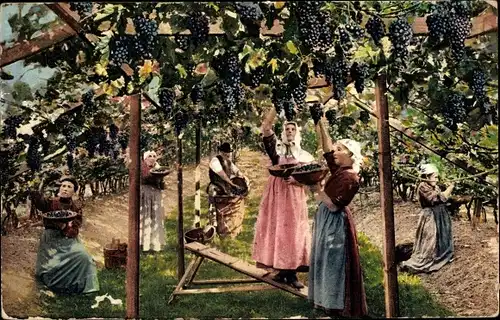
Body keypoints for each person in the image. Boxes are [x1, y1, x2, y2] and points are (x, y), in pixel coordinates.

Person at [307, 116, 368, 317]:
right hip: (326, 219)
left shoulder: (351, 178)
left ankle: (336, 304)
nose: (335, 151)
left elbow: (333, 206)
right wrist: (320, 123)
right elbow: (326, 149)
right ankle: (326, 301)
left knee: (334, 261)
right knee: (325, 259)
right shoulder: (340, 170)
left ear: (351, 155)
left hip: (335, 222)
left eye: (340, 149)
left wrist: (317, 190)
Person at [252, 107, 314, 289]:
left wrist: (298, 180)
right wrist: (276, 105)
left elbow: (312, 176)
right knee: (277, 228)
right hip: (276, 195)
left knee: (293, 230)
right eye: (287, 128)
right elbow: (265, 127)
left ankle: (292, 271)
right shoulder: (276, 150)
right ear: (282, 132)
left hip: (294, 195)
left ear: (297, 132)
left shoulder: (303, 155)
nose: (289, 131)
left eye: (293, 129)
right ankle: (281, 269)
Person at [30, 176, 99, 295]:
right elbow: (38, 201)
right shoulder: (50, 202)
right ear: (59, 188)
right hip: (51, 240)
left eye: (69, 187)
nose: (65, 189)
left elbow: (75, 230)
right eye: (63, 186)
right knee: (53, 264)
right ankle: (58, 286)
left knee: (84, 257)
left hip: (68, 240)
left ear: (74, 191)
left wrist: (64, 227)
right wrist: (40, 184)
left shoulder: (75, 207)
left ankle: (84, 287)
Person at [400, 163, 455, 273]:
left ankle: (441, 256)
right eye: (435, 177)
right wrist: (450, 188)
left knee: (441, 238)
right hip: (430, 217)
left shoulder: (434, 186)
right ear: (426, 177)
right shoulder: (423, 186)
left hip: (439, 216)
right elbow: (436, 198)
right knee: (430, 240)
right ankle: (427, 260)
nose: (437, 179)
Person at [207, 142, 248, 226]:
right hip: (216, 186)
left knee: (229, 204)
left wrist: (243, 176)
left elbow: (236, 171)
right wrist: (231, 183)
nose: (228, 154)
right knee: (213, 205)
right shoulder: (215, 161)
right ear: (221, 152)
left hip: (225, 187)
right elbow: (222, 175)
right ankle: (213, 223)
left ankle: (228, 223)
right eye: (226, 152)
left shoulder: (228, 162)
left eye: (229, 152)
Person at [140, 150, 166, 253]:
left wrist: (161, 178)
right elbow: (145, 177)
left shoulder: (157, 167)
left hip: (156, 193)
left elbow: (162, 183)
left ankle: (156, 244)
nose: (152, 158)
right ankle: (144, 245)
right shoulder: (142, 167)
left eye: (154, 156)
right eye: (149, 156)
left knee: (156, 216)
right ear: (145, 159)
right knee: (146, 217)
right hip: (145, 193)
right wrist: (156, 173)